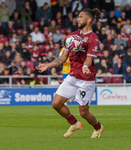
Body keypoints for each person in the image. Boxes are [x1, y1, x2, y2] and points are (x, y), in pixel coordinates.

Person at [36, 8, 104, 138]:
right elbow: (63, 58)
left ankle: (98, 127)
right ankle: (74, 123)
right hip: (72, 77)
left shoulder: (93, 38)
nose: (77, 19)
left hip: (85, 79)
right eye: (77, 17)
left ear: (89, 19)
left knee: (84, 113)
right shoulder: (72, 36)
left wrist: (85, 65)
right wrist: (47, 65)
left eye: (81, 17)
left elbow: (90, 58)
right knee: (56, 103)